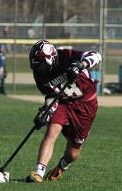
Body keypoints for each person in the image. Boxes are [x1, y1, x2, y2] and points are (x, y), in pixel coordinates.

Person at [25, 39, 102, 183]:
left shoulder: (67, 55)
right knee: (51, 131)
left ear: (51, 58)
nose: (38, 69)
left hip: (86, 105)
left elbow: (96, 55)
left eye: (40, 65)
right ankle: (38, 173)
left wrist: (81, 65)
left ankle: (62, 166)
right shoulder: (40, 75)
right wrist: (45, 113)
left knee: (72, 154)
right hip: (64, 104)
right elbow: (51, 96)